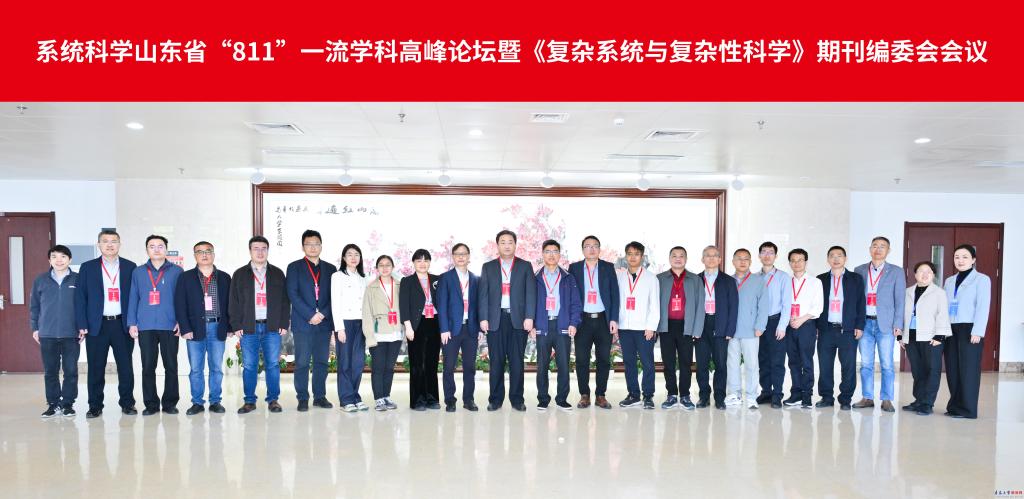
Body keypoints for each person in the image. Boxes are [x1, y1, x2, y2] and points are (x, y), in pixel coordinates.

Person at [75, 229, 137, 418]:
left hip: (122, 324)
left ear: (119, 244)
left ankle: (127, 403)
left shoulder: (130, 266)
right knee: (95, 368)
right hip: (97, 325)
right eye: (105, 241)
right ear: (99, 244)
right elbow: (80, 297)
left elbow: (136, 297)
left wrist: (134, 322)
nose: (110, 245)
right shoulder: (87, 267)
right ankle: (95, 406)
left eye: (114, 241)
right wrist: (82, 323)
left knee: (125, 367)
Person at [230, 236, 290, 414]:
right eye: (256, 248)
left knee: (272, 365)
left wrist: (283, 322)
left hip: (272, 327)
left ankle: (273, 400)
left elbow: (285, 301)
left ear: (268, 250)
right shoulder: (240, 274)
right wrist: (236, 325)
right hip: (249, 327)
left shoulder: (277, 273)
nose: (260, 252)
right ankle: (249, 401)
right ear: (250, 251)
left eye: (263, 248)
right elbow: (233, 302)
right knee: (249, 365)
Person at [478, 230, 536, 412]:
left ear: (515, 244)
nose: (507, 245)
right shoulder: (488, 267)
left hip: (518, 321)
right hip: (495, 320)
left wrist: (530, 317)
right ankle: (495, 399)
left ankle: (517, 399)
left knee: (517, 362)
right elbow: (483, 295)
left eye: (510, 242)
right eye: (502, 242)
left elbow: (531, 293)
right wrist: (483, 318)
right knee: (496, 362)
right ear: (497, 245)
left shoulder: (525, 266)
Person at [127, 235, 184, 416]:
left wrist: (181, 322)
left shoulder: (177, 271)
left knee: (171, 366)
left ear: (166, 249)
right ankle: (151, 404)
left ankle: (170, 403)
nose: (156, 249)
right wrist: (132, 323)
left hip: (170, 325)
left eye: (160, 246)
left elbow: (181, 299)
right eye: (152, 246)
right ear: (147, 250)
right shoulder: (138, 272)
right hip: (145, 326)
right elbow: (133, 298)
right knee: (148, 367)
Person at [174, 241, 231, 416]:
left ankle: (215, 401)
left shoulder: (225, 278)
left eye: (208, 251)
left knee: (216, 368)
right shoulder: (186, 277)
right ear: (195, 256)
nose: (204, 255)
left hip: (217, 327)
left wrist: (230, 327)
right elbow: (180, 304)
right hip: (194, 328)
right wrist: (185, 328)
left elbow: (231, 304)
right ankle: (197, 402)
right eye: (200, 252)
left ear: (213, 254)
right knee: (196, 369)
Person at [286, 229, 337, 411]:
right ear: (303, 247)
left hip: (324, 323)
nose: (313, 247)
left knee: (322, 362)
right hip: (303, 323)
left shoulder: (331, 269)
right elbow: (293, 294)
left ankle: (320, 396)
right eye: (309, 244)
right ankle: (302, 398)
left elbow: (334, 296)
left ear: (321, 246)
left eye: (316, 244)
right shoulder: (294, 267)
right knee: (302, 362)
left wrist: (322, 314)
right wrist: (310, 315)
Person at [852, 236, 905, 413]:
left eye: (882, 246)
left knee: (887, 364)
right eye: (875, 246)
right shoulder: (859, 270)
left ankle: (887, 399)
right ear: (870, 249)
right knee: (866, 363)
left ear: (888, 251)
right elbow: (855, 299)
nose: (878, 249)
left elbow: (900, 300)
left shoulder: (896, 272)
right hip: (864, 323)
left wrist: (898, 324)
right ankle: (867, 397)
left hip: (886, 324)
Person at [568, 235, 620, 409]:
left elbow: (614, 295)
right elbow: (570, 296)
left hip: (603, 320)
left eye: (595, 246)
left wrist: (614, 319)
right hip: (582, 321)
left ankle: (600, 395)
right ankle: (584, 395)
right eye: (587, 246)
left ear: (599, 249)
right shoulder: (574, 268)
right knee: (582, 360)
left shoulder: (608, 267)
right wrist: (572, 320)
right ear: (583, 250)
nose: (591, 249)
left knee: (603, 359)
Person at [30, 245, 81, 418]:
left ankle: (67, 404)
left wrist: (82, 327)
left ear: (70, 260)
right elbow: (34, 307)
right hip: (47, 334)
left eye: (63, 256)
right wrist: (35, 328)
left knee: (71, 371)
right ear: (49, 260)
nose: (59, 260)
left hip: (71, 334)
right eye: (54, 257)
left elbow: (83, 306)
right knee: (50, 372)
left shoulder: (78, 279)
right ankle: (53, 404)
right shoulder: (40, 280)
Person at [531, 240, 582, 411]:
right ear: (542, 254)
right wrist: (532, 324)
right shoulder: (535, 278)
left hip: (562, 326)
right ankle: (543, 399)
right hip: (542, 326)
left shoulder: (568, 277)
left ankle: (562, 399)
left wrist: (573, 323)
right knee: (542, 366)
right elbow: (529, 303)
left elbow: (576, 303)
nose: (551, 255)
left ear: (560, 254)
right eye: (548, 251)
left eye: (555, 251)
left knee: (563, 365)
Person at [942, 244, 992, 419]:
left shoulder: (982, 279)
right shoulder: (949, 281)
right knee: (953, 369)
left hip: (970, 328)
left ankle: (968, 409)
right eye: (957, 257)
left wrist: (978, 331)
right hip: (950, 329)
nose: (960, 260)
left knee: (968, 370)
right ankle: (955, 406)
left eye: (965, 257)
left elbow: (983, 307)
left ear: (973, 260)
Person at [815, 245, 865, 411]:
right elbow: (815, 304)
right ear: (828, 259)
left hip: (848, 330)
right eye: (832, 256)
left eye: (839, 255)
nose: (836, 259)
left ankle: (845, 398)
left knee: (848, 367)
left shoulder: (855, 278)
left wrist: (859, 325)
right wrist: (816, 326)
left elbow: (861, 303)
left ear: (845, 258)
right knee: (825, 366)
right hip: (826, 329)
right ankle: (826, 397)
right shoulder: (820, 279)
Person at [655, 246, 704, 410]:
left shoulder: (695, 279)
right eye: (674, 256)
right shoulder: (660, 279)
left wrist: (697, 329)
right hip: (666, 325)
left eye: (681, 256)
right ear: (669, 259)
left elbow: (700, 306)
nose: (678, 258)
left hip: (686, 326)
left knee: (685, 362)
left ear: (686, 259)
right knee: (668, 363)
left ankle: (684, 395)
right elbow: (653, 304)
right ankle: (671, 394)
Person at [901, 261, 952, 416]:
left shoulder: (939, 293)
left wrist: (939, 336)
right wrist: (901, 335)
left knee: (932, 371)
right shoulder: (907, 292)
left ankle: (927, 403)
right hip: (911, 337)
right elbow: (902, 314)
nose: (924, 274)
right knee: (917, 371)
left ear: (933, 275)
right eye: (921, 271)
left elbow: (943, 314)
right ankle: (918, 400)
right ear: (915, 274)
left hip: (932, 337)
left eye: (928, 271)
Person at [616, 241, 660, 410]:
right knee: (629, 363)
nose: (632, 257)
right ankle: (633, 394)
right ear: (625, 256)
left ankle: (648, 395)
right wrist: (616, 324)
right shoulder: (620, 277)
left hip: (644, 329)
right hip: (625, 328)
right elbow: (616, 302)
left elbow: (654, 305)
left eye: (636, 254)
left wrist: (651, 327)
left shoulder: (651, 278)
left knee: (647, 363)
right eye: (629, 254)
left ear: (642, 257)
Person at [436, 243, 481, 412]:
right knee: (449, 367)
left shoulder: (476, 279)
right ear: (453, 257)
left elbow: (478, 306)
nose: (461, 257)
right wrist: (443, 329)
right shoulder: (445, 278)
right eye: (457, 254)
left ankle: (469, 400)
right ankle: (450, 400)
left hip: (471, 329)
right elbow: (441, 305)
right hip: (451, 330)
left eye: (464, 254)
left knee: (470, 367)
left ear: (469, 257)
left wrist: (479, 328)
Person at [725, 249, 769, 410]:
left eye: (746, 259)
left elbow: (764, 306)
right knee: (732, 364)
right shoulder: (728, 281)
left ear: (750, 262)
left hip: (751, 330)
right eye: (739, 259)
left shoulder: (758, 281)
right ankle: (734, 394)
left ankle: (751, 396)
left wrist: (760, 326)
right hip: (731, 331)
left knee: (751, 364)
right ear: (733, 262)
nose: (742, 262)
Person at [695, 245, 738, 410]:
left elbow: (733, 307)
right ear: (702, 259)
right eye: (708, 255)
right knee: (702, 364)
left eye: (715, 255)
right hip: (701, 324)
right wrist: (693, 328)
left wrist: (730, 330)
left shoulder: (728, 281)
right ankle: (704, 396)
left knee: (720, 364)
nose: (711, 258)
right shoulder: (696, 279)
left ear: (720, 259)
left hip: (720, 324)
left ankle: (720, 397)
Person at [331, 244, 371, 413]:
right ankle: (346, 399)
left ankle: (355, 396)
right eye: (349, 254)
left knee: (358, 362)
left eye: (356, 254)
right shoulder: (337, 276)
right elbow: (335, 303)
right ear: (344, 258)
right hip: (345, 324)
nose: (353, 258)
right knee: (345, 362)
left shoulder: (364, 278)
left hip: (361, 323)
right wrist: (339, 328)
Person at [400, 249, 441, 411]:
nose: (422, 264)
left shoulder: (437, 279)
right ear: (413, 263)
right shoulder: (407, 281)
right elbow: (404, 305)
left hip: (435, 323)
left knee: (432, 363)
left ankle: (432, 398)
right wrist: (408, 327)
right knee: (417, 364)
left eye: (426, 260)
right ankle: (417, 400)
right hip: (416, 325)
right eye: (419, 260)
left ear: (430, 262)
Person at [782, 249, 823, 409]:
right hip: (789, 325)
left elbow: (818, 307)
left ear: (805, 262)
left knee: (806, 361)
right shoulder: (786, 281)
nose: (796, 263)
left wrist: (801, 319)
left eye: (800, 260)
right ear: (789, 263)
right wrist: (789, 320)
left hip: (806, 324)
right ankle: (796, 393)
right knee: (793, 361)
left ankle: (807, 395)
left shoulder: (815, 282)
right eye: (793, 260)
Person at [363, 255, 403, 411]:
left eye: (388, 265)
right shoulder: (371, 288)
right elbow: (366, 313)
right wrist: (369, 336)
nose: (385, 268)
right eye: (381, 265)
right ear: (377, 268)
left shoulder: (400, 285)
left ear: (393, 267)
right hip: (378, 333)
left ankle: (386, 396)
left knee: (389, 367)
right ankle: (378, 399)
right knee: (378, 367)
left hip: (396, 332)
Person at [754, 241, 792, 408]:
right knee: (762, 359)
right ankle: (766, 392)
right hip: (759, 324)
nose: (767, 255)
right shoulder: (754, 277)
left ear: (776, 256)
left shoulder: (783, 277)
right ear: (759, 256)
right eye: (764, 252)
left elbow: (787, 304)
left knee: (777, 361)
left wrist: (782, 326)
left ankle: (777, 394)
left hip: (776, 321)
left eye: (770, 252)